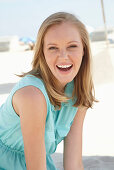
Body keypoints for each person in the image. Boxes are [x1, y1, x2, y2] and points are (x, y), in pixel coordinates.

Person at [0, 12, 96, 170]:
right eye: (53, 48)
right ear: (42, 53)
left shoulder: (79, 91)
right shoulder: (32, 95)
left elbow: (74, 164)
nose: (63, 56)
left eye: (72, 46)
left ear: (84, 50)